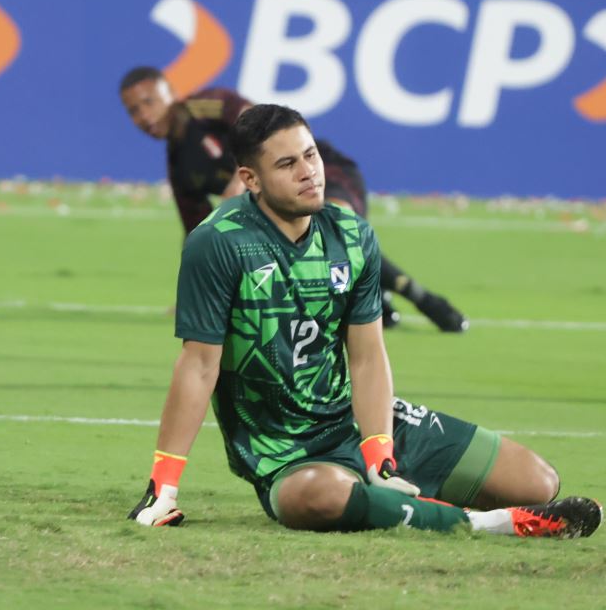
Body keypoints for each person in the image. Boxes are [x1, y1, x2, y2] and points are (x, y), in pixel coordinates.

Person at [128, 103, 598, 540]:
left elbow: (368, 356)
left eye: (310, 155)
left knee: (539, 482)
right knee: (316, 498)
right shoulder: (217, 243)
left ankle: (390, 495)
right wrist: (163, 486)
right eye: (287, 164)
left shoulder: (352, 235)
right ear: (250, 179)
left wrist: (381, 454)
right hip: (287, 456)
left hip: (361, 421)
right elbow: (199, 366)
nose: (309, 172)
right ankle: (486, 525)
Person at [116, 66, 467, 332]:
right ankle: (374, 297)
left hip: (322, 172)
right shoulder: (179, 165)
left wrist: (236, 187)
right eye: (133, 110)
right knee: (293, 238)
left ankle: (420, 297)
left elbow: (267, 131)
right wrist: (194, 294)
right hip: (282, 200)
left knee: (334, 222)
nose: (144, 116)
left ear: (172, 93)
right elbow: (199, 232)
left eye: (149, 101)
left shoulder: (206, 107)